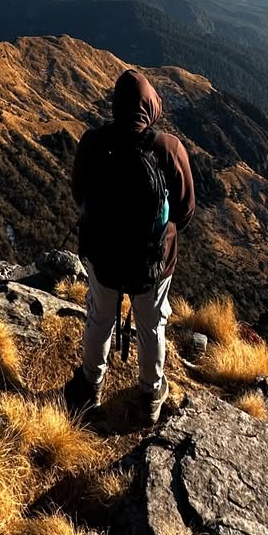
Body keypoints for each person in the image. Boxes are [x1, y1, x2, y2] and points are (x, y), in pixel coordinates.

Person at [62, 69, 195, 426]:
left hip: (103, 259)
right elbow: (185, 211)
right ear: (150, 107)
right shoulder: (168, 148)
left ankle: (90, 385)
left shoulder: (92, 143)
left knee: (99, 319)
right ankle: (151, 394)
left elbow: (80, 196)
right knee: (152, 326)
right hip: (152, 264)